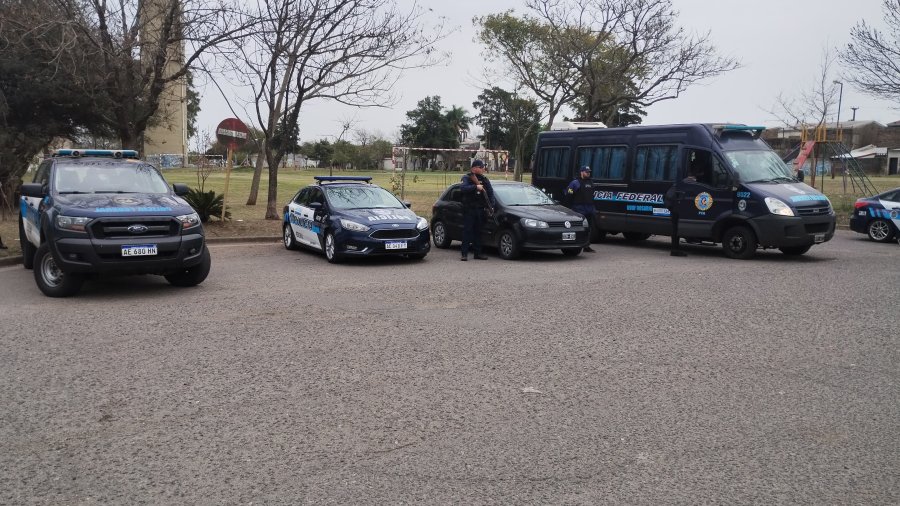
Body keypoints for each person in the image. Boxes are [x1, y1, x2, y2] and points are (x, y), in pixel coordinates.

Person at [459, 159, 495, 261]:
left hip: (480, 209)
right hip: (469, 209)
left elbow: (491, 194)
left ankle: (478, 253)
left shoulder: (484, 179)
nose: (483, 169)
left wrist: (491, 206)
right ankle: (464, 254)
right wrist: (476, 187)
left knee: (478, 232)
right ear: (474, 168)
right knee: (467, 231)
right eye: (481, 167)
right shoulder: (467, 177)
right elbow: (463, 188)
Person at [564, 165, 596, 252]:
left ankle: (586, 245)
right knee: (578, 228)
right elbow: (568, 194)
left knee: (588, 229)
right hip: (579, 209)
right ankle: (575, 245)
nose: (588, 173)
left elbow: (592, 195)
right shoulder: (575, 183)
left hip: (589, 209)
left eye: (589, 172)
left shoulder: (591, 182)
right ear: (581, 172)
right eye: (586, 172)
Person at [664, 184, 686, 257]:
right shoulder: (682, 185)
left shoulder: (676, 185)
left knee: (674, 230)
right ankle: (674, 250)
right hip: (676, 210)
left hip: (673, 209)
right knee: (675, 231)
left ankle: (674, 250)